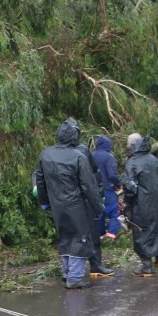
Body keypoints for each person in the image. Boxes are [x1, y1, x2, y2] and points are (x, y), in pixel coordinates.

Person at [34, 118, 104, 289]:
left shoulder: (46, 154)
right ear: (75, 136)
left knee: (64, 238)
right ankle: (75, 278)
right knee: (79, 239)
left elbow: (40, 181)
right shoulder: (78, 157)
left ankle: (67, 273)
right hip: (75, 205)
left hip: (57, 205)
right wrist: (99, 208)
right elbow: (89, 186)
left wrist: (45, 203)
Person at [123, 133, 158, 277]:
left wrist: (128, 204)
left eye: (128, 145)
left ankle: (146, 266)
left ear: (132, 146)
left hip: (141, 203)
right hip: (157, 201)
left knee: (141, 230)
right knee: (156, 227)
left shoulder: (132, 162)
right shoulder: (153, 159)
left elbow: (129, 187)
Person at [88, 135, 122, 278]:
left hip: (94, 192)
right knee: (115, 212)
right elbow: (112, 174)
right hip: (108, 189)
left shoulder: (90, 156)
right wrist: (118, 185)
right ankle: (111, 233)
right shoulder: (109, 157)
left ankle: (100, 233)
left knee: (99, 214)